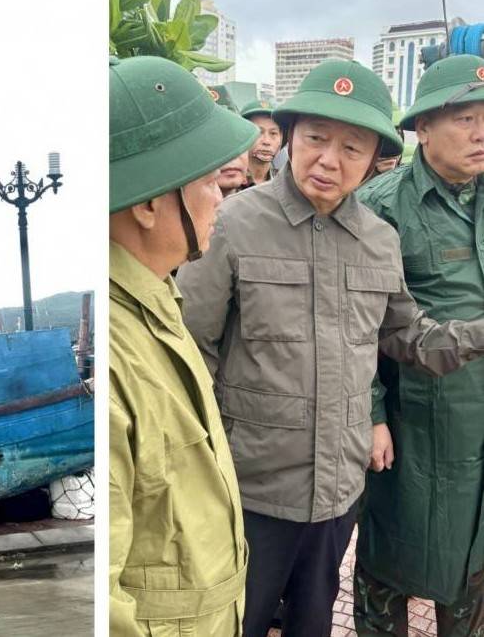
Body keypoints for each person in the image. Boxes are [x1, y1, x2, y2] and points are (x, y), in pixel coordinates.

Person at [176, 58, 484, 636]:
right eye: (316, 138)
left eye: (352, 147)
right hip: (250, 492)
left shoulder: (378, 240)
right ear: (290, 137)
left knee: (312, 624)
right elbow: (191, 352)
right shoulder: (234, 224)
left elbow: (408, 336)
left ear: (373, 160)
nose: (329, 160)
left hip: (337, 494)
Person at [108, 56, 257, 636]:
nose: (222, 198)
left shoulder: (158, 302)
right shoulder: (122, 353)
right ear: (148, 205)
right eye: (207, 183)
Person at [355, 54, 484, 636]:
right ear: (422, 128)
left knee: (474, 567)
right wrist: (372, 414)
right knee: (391, 561)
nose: (479, 132)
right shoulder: (382, 206)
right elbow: (352, 327)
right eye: (463, 118)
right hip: (414, 425)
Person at [240, 99, 283, 185]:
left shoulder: (284, 184)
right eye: (259, 132)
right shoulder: (230, 180)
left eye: (273, 133)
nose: (267, 141)